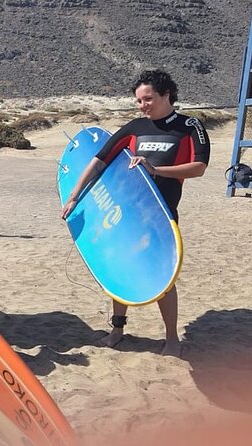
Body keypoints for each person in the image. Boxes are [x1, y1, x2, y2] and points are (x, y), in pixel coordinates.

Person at [61, 69, 210, 357]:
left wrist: (156, 170)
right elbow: (99, 160)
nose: (143, 106)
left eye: (148, 99)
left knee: (163, 276)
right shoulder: (134, 127)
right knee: (119, 268)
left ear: (167, 95)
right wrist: (74, 195)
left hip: (159, 216)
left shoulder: (189, 127)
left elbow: (199, 168)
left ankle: (171, 339)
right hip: (124, 213)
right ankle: (117, 330)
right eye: (139, 101)